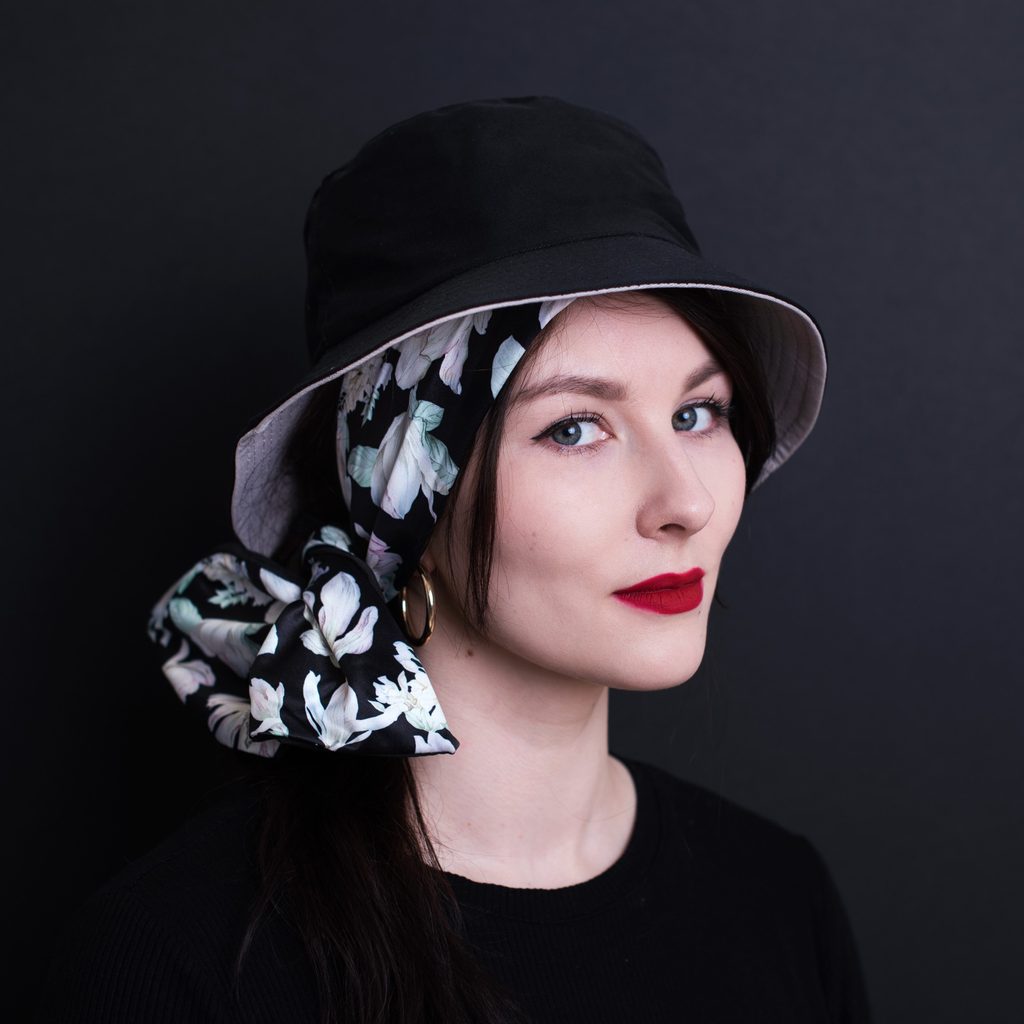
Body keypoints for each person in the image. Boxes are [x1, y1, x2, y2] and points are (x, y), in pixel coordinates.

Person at [38, 96, 872, 1023]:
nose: (688, 503)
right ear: (406, 498)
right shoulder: (175, 964)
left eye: (696, 413)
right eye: (574, 428)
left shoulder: (778, 898)